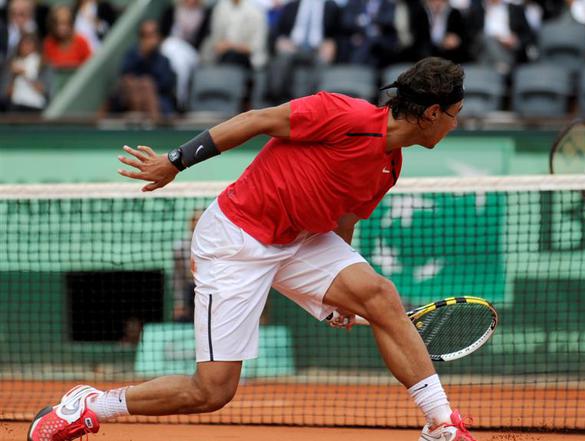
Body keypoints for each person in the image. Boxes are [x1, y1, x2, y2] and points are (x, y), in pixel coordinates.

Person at [28, 57, 476, 441]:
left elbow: (344, 221)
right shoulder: (344, 115)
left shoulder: (389, 166)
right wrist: (175, 161)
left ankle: (442, 424)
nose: (457, 123)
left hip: (300, 242)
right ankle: (90, 405)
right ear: (432, 112)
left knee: (379, 296)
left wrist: (336, 296)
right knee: (212, 392)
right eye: (455, 113)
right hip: (235, 241)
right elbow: (255, 120)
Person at [116, 19, 176, 120]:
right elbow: (124, 75)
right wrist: (142, 56)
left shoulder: (163, 60)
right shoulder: (132, 55)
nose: (149, 40)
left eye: (152, 35)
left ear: (158, 37)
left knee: (147, 85)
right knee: (134, 86)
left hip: (157, 97)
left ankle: (151, 127)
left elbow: (166, 84)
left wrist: (147, 84)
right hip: (132, 95)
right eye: (145, 36)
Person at [42, 5, 91, 69]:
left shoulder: (81, 42)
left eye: (65, 23)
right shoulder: (48, 43)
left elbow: (90, 66)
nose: (61, 28)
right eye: (57, 23)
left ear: (71, 23)